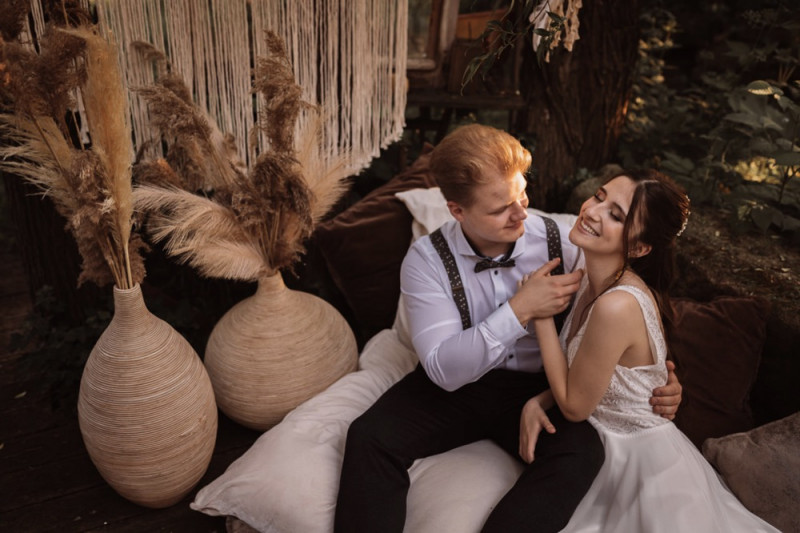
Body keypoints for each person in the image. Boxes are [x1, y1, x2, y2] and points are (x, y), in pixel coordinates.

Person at [334, 124, 683, 533]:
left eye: (522, 196)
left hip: (540, 385)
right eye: (501, 209)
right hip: (460, 384)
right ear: (457, 210)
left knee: (582, 454)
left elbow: (627, 308)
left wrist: (659, 380)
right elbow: (444, 370)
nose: (521, 214)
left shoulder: (569, 238)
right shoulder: (426, 260)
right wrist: (519, 310)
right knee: (369, 437)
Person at [527, 168, 778, 531]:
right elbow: (591, 378)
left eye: (616, 215)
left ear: (639, 248)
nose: (594, 212)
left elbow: (576, 406)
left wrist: (540, 316)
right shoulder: (589, 275)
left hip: (638, 464)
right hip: (600, 449)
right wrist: (538, 400)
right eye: (599, 196)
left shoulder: (617, 305)